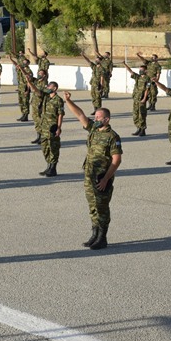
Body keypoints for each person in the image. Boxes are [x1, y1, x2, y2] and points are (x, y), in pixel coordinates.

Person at [63, 92, 122, 250]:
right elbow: (80, 114)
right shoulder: (94, 130)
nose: (95, 119)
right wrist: (68, 100)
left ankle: (102, 238)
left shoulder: (112, 137)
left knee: (102, 207)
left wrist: (106, 179)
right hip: (89, 176)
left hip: (102, 177)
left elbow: (117, 160)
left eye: (98, 117)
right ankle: (94, 234)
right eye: (95, 117)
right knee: (93, 206)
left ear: (106, 119)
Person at [123, 61, 149, 136]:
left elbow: (147, 89)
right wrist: (125, 64)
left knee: (142, 115)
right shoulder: (138, 77)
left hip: (141, 99)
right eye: (139, 69)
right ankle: (138, 128)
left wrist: (144, 98)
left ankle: (142, 130)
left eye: (142, 70)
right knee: (135, 114)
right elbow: (131, 71)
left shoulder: (147, 79)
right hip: (136, 98)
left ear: (145, 71)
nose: (140, 71)